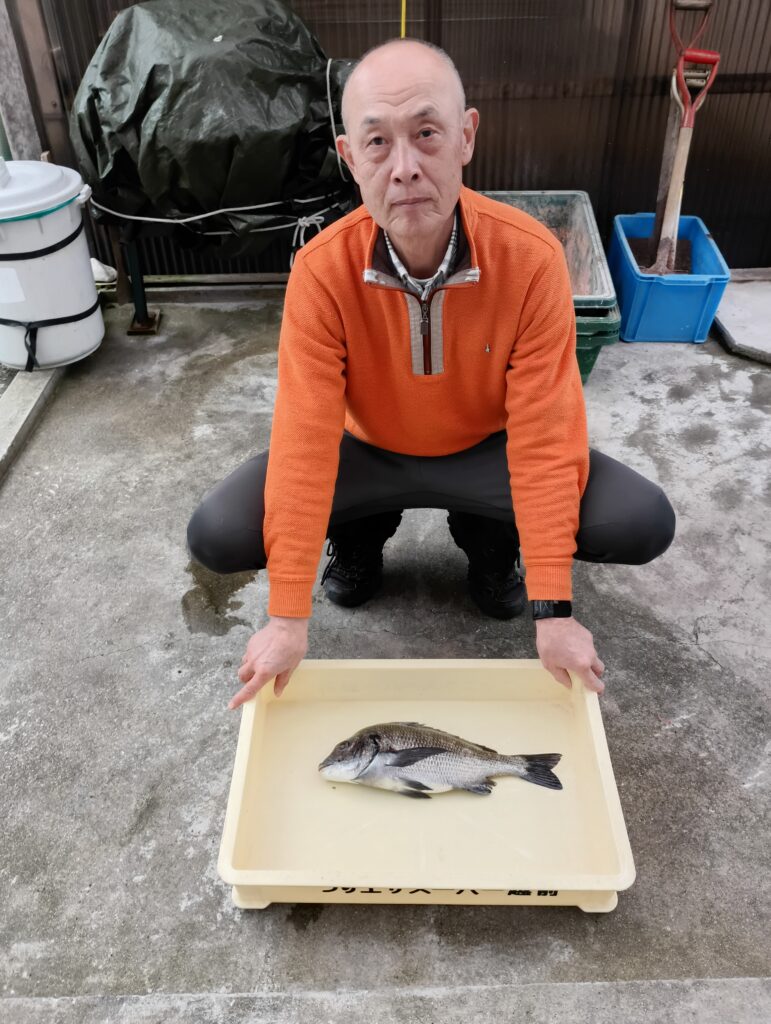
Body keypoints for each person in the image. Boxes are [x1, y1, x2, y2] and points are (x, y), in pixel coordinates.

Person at [187, 38, 675, 711]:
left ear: (465, 136)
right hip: (367, 452)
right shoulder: (321, 272)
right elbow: (305, 439)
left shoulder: (531, 259)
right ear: (349, 157)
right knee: (219, 531)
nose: (405, 168)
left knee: (638, 519)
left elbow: (544, 434)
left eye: (426, 133)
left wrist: (554, 608)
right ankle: (358, 542)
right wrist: (286, 616)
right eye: (377, 143)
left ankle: (491, 547)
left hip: (486, 450)